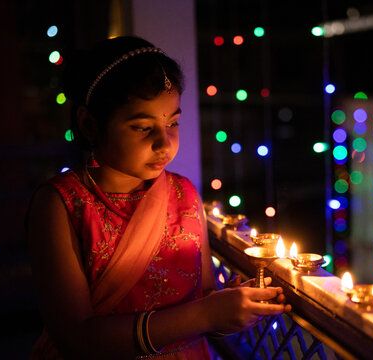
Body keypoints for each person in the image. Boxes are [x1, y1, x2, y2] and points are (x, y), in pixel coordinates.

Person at [26, 35, 291, 360]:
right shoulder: (60, 204)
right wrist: (206, 314)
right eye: (141, 127)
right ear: (90, 124)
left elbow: (202, 297)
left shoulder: (183, 193)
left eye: (173, 123)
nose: (163, 143)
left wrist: (233, 307)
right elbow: (77, 339)